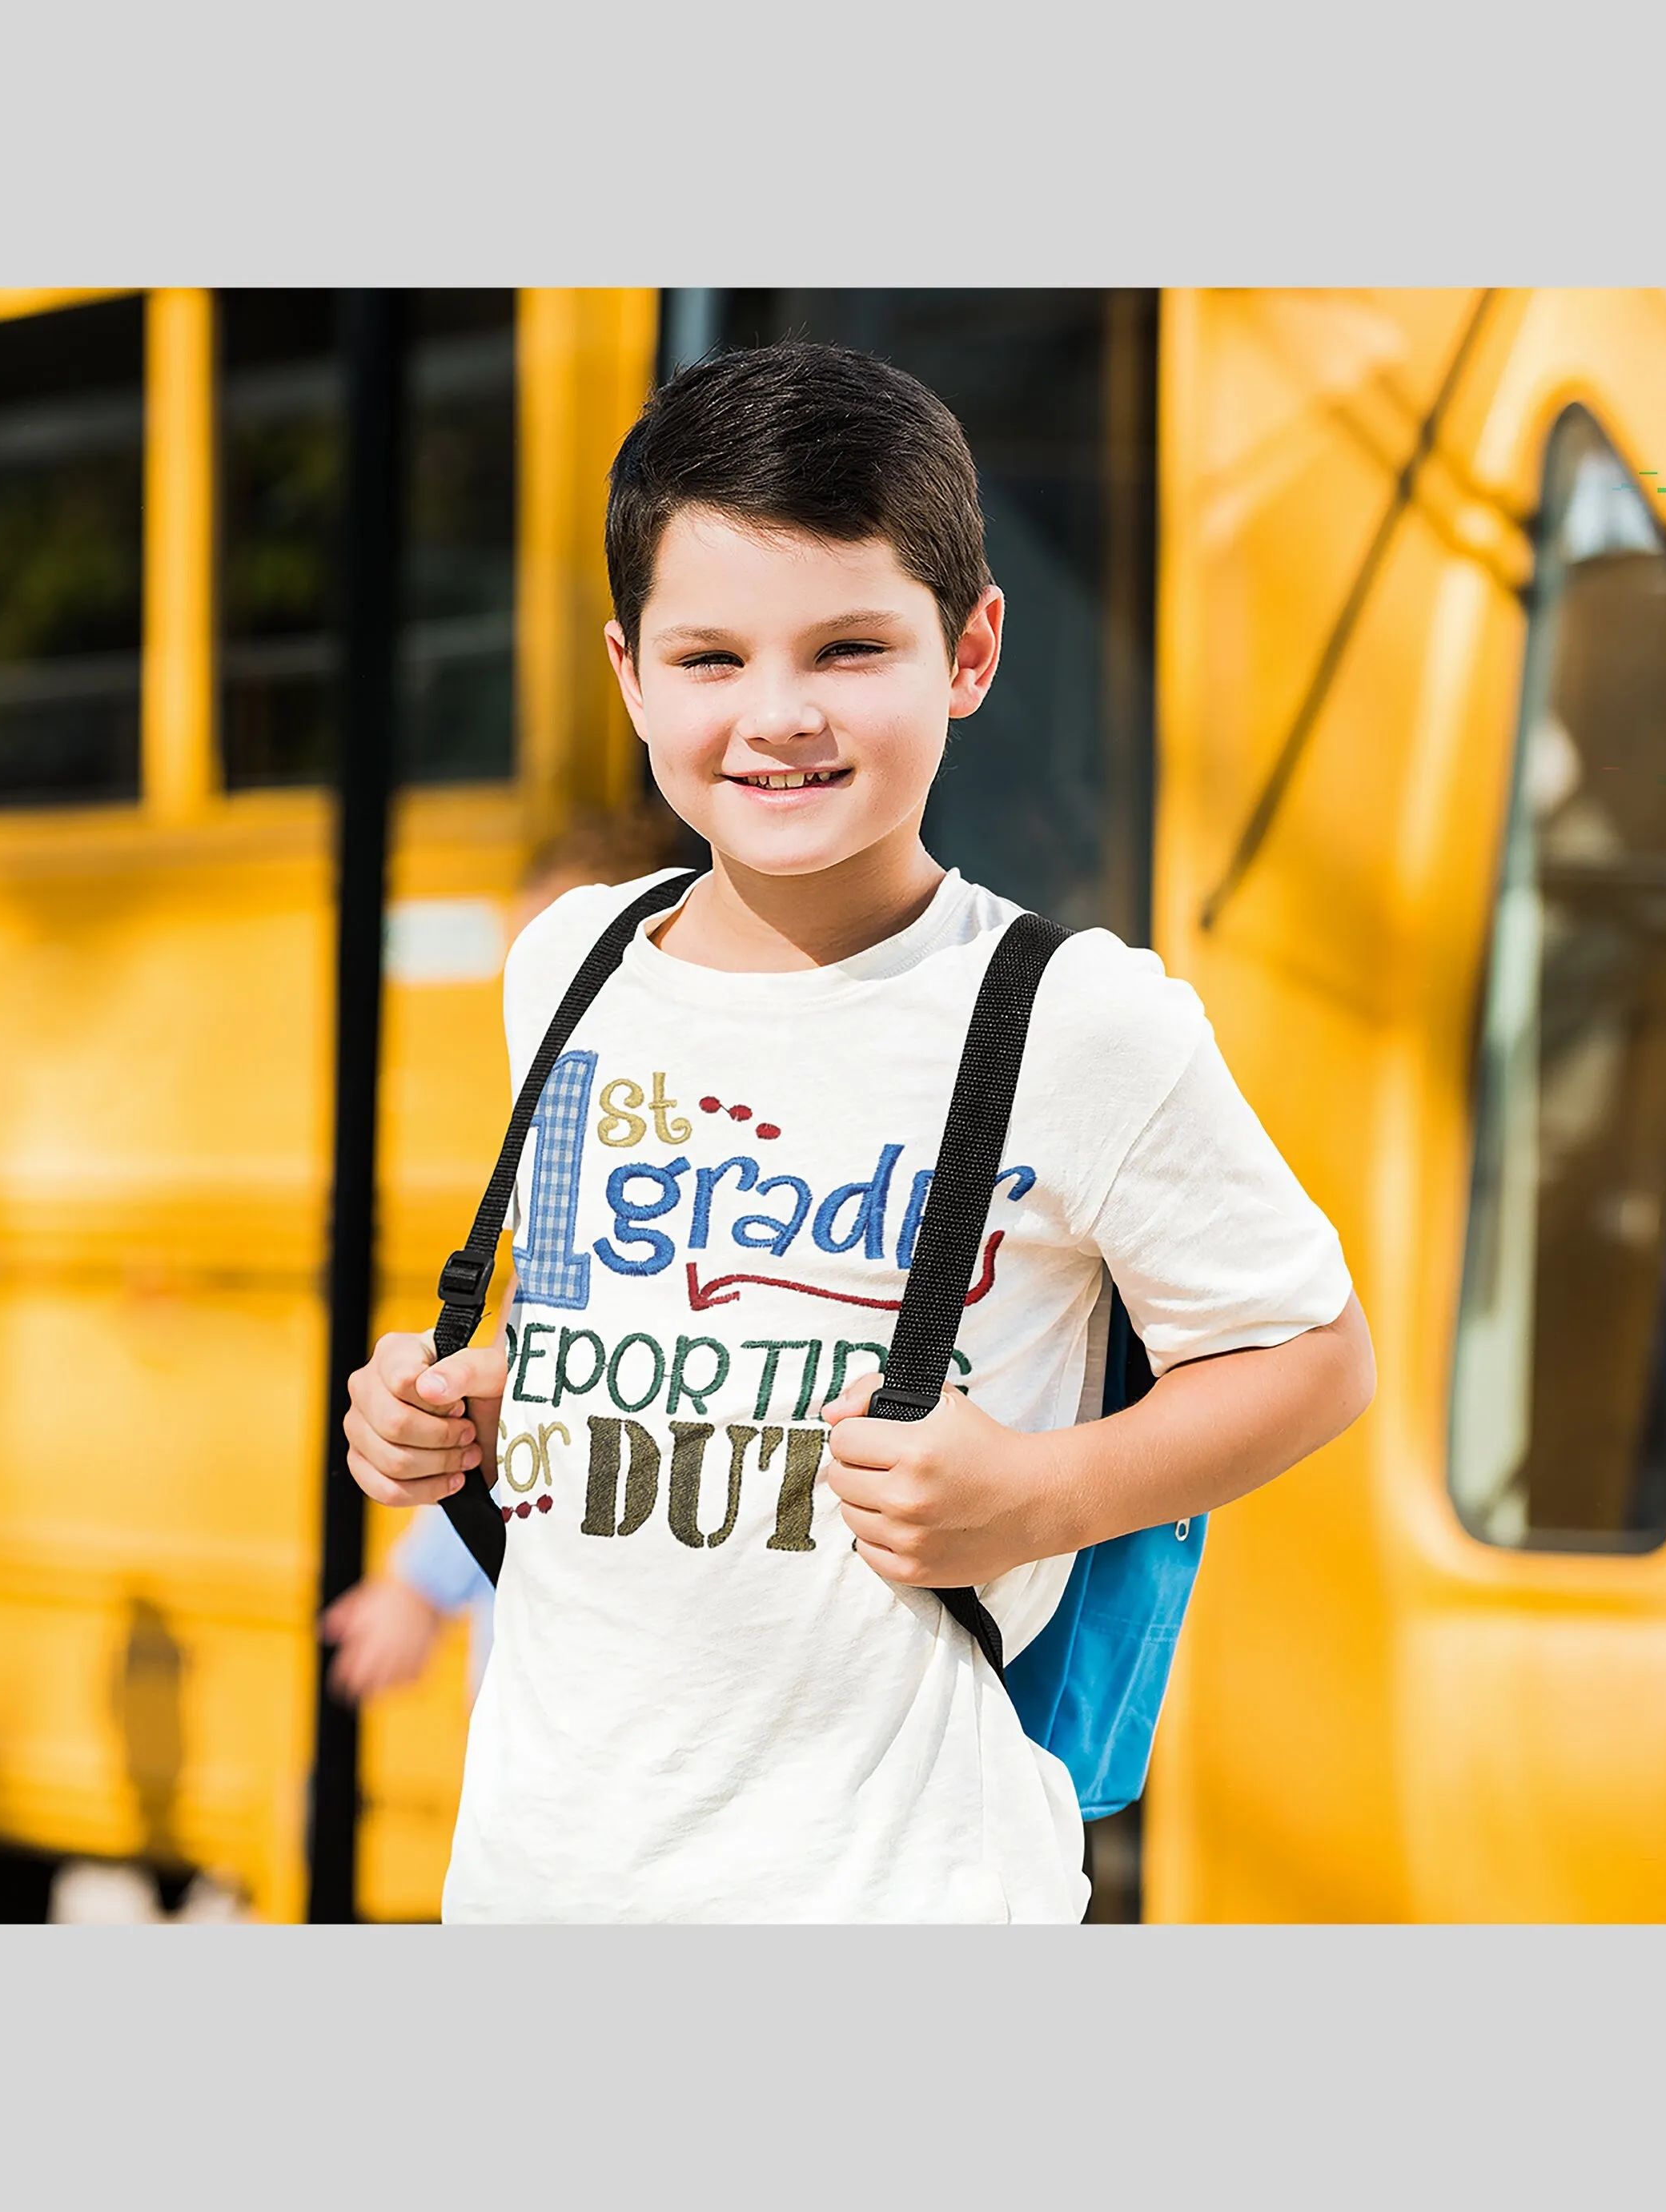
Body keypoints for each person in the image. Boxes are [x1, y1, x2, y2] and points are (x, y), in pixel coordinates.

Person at [341, 342, 1376, 1923]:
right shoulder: (570, 963)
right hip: (540, 1879)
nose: (777, 716)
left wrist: (1041, 1494)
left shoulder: (1077, 1017)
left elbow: (1311, 1358)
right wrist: (464, 1400)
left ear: (968, 653)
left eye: (848, 647)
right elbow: (591, 1306)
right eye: (709, 660)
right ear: (626, 674)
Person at [321, 804, 693, 1707]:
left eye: (571, 978)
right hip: (543, 1689)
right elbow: (530, 1401)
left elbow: (574, 1418)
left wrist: (421, 1580)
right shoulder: (579, 1153)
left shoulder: (657, 1180)